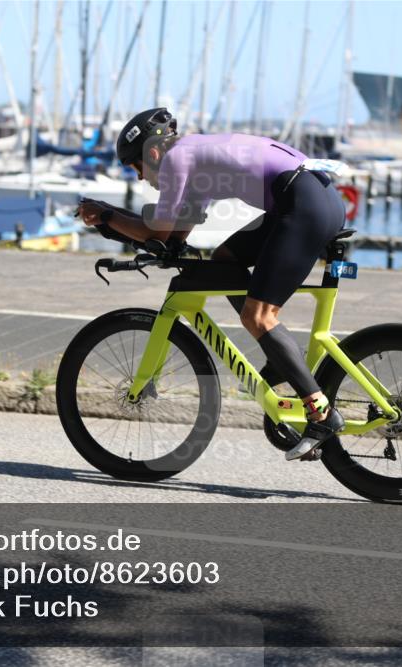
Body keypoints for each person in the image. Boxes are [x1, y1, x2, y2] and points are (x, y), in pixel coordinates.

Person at [77, 108, 346, 461]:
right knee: (225, 261)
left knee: (259, 316)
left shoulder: (177, 159)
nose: (140, 177)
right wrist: (142, 235)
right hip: (311, 197)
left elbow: (157, 230)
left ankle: (321, 415)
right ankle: (280, 358)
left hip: (302, 204)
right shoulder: (195, 157)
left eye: (136, 167)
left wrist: (107, 214)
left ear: (153, 152)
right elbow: (175, 233)